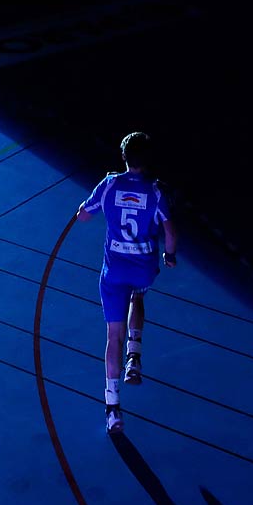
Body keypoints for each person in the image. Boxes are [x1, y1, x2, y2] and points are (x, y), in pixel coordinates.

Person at [75, 133, 177, 434]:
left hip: (114, 271)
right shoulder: (155, 192)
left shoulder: (108, 185)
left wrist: (83, 206)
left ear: (123, 157)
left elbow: (83, 217)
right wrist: (169, 256)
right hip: (144, 268)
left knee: (112, 335)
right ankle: (135, 355)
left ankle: (113, 409)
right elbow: (171, 233)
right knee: (138, 298)